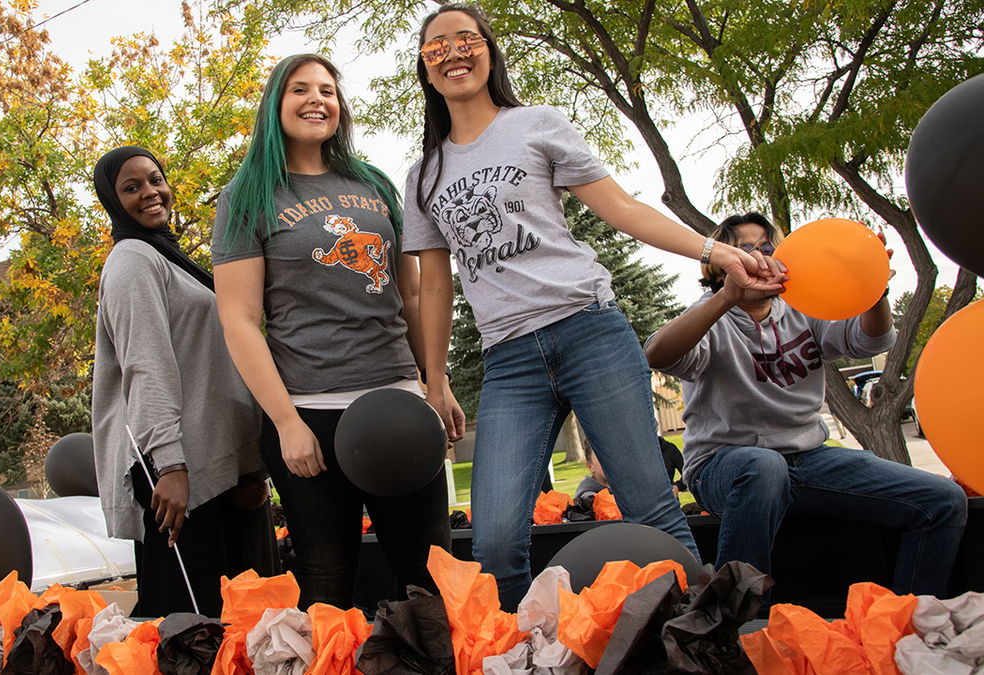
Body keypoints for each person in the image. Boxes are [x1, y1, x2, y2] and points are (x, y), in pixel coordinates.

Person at [402, 3, 784, 610]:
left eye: (466, 40)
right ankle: (526, 654)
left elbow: (623, 208)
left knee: (652, 510)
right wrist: (435, 377)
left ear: (489, 51)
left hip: (590, 333)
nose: (453, 53)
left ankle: (701, 641)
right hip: (510, 362)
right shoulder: (424, 174)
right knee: (496, 542)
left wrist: (717, 251)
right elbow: (434, 284)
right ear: (425, 69)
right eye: (436, 46)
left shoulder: (537, 125)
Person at [212, 53, 460, 609]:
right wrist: (285, 423)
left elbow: (412, 292)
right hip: (308, 412)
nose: (316, 100)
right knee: (327, 577)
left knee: (429, 575)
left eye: (327, 90)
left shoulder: (372, 183)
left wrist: (435, 384)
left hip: (396, 403)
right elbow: (240, 320)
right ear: (275, 105)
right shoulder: (247, 195)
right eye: (299, 89)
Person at [644, 212, 968, 596]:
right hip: (724, 465)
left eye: (769, 248)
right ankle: (723, 623)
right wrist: (728, 297)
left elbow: (872, 341)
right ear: (720, 264)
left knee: (944, 499)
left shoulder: (801, 308)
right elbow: (657, 355)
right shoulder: (710, 315)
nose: (761, 257)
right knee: (763, 467)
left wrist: (874, 288)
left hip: (808, 460)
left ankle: (903, 624)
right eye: (746, 250)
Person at [91, 145, 276, 618]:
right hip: (178, 478)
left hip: (224, 470)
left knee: (253, 630)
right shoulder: (133, 260)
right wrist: (169, 466)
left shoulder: (170, 257)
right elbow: (145, 366)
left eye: (155, 179)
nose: (150, 193)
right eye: (131, 187)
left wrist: (250, 464)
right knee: (192, 634)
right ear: (112, 202)